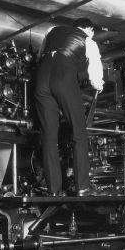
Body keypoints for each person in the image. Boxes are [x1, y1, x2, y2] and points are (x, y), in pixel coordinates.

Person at [34, 17, 104, 196]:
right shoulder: (88, 40)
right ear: (89, 29)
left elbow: (40, 54)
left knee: (49, 136)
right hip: (63, 78)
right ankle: (83, 187)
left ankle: (54, 190)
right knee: (79, 133)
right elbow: (95, 73)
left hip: (41, 79)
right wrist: (98, 85)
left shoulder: (52, 31)